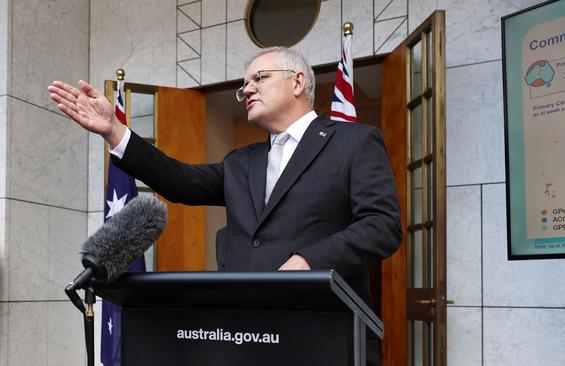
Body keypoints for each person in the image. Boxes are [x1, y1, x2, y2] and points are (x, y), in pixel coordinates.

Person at [48, 47, 401, 365]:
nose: (247, 89)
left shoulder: (353, 142)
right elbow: (179, 181)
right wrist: (114, 131)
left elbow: (381, 225)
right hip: (243, 334)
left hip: (322, 331)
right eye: (244, 84)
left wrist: (309, 261)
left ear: (297, 82)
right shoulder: (241, 161)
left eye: (259, 79)